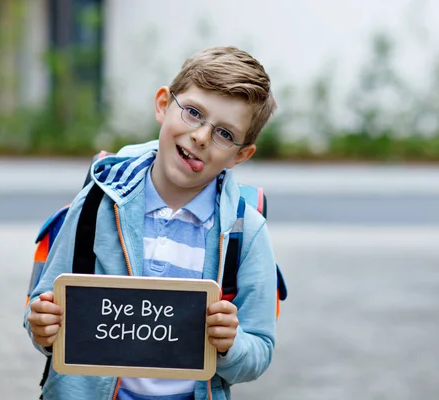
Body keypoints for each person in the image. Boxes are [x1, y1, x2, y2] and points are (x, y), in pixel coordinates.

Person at [24, 46, 279, 400]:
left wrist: (230, 346)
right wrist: (42, 326)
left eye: (224, 133)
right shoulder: (97, 202)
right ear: (163, 104)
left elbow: (260, 347)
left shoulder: (244, 232)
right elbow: (43, 307)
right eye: (192, 113)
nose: (202, 137)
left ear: (240, 155)